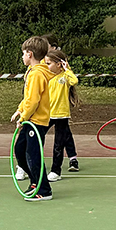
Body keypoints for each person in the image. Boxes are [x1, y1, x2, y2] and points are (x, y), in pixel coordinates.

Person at [10, 36, 54, 201]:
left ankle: (44, 189)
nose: (22, 57)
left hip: (36, 121)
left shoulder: (37, 74)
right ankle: (35, 181)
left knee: (33, 154)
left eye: (23, 54)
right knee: (20, 151)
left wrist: (24, 117)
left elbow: (34, 101)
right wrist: (19, 110)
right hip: (30, 119)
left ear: (29, 54)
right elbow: (28, 98)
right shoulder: (32, 72)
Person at [45, 47, 81, 181]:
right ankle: (27, 166)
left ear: (59, 64)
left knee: (58, 145)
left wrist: (67, 69)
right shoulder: (46, 76)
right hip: (46, 115)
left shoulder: (65, 77)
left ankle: (56, 171)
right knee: (36, 139)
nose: (46, 66)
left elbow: (74, 81)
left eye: (49, 63)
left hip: (61, 115)